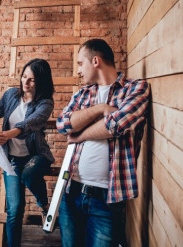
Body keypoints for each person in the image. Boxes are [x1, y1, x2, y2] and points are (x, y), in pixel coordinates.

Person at [56, 39, 149, 247]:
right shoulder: (82, 94)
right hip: (71, 194)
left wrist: (81, 135)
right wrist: (99, 109)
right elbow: (62, 124)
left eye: (81, 63)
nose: (79, 70)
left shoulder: (136, 89)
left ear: (95, 61)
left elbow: (117, 124)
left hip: (107, 201)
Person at [0, 58, 55, 247]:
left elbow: (31, 123)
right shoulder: (11, 95)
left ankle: (43, 204)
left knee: (29, 173)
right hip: (12, 159)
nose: (25, 82)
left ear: (41, 81)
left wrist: (9, 134)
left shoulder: (45, 103)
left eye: (31, 79)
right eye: (24, 77)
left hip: (35, 156)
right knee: (14, 210)